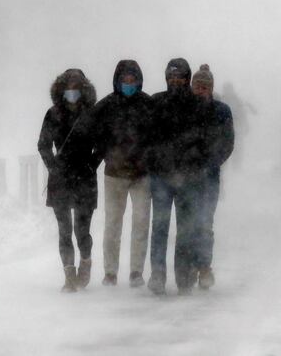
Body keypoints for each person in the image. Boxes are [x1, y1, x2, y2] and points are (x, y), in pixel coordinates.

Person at [90, 60, 153, 288]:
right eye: (125, 80)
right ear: (117, 80)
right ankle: (110, 272)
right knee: (113, 224)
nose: (129, 83)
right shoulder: (105, 105)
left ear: (139, 80)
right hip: (114, 175)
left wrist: (149, 158)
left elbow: (157, 136)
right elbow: (92, 132)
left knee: (141, 222)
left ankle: (136, 271)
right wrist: (103, 153)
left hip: (142, 176)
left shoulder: (148, 104)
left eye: (132, 79)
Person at [147, 58, 208, 295]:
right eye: (171, 77)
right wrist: (153, 161)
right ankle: (158, 275)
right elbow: (147, 138)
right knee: (160, 227)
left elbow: (206, 141)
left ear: (187, 78)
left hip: (189, 179)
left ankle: (183, 277)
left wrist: (195, 163)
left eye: (180, 78)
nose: (175, 82)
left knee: (185, 229)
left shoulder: (198, 106)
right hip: (161, 177)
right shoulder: (156, 102)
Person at [37, 69, 99, 293]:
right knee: (64, 230)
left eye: (76, 87)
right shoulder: (53, 114)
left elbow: (102, 144)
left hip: (85, 178)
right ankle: (69, 275)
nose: (72, 91)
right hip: (60, 180)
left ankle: (86, 260)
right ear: (61, 89)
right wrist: (53, 166)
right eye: (68, 87)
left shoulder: (92, 114)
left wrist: (92, 164)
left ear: (83, 89)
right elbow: (43, 144)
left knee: (82, 230)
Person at [191, 65, 234, 289]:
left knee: (205, 223)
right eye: (197, 86)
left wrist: (210, 163)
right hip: (185, 177)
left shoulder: (222, 111)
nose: (200, 90)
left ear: (211, 88)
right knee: (187, 224)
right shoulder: (184, 110)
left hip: (209, 177)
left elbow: (227, 144)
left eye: (204, 86)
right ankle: (188, 267)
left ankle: (204, 267)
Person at [220, 82, 254, 169]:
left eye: (228, 89)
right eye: (226, 89)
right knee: (228, 148)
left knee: (235, 148)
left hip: (235, 128)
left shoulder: (232, 100)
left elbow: (242, 114)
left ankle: (236, 168)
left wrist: (245, 125)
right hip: (227, 129)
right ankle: (230, 167)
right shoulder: (223, 99)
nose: (227, 91)